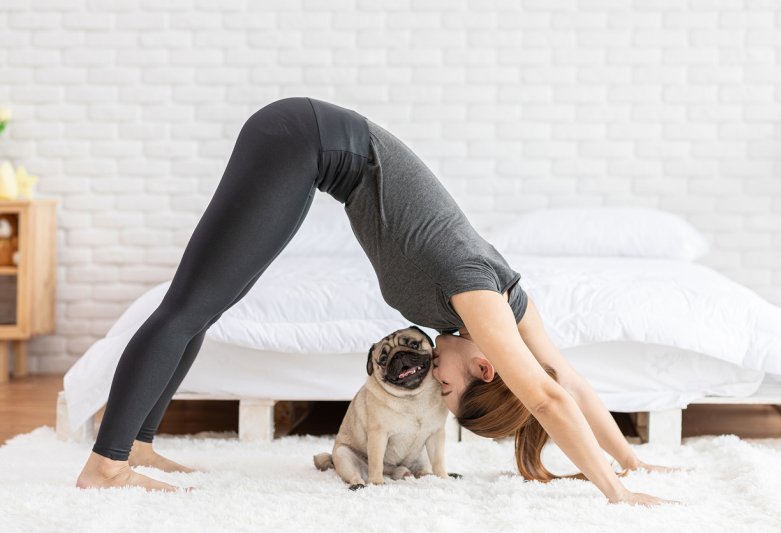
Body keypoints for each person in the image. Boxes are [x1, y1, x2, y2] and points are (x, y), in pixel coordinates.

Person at [76, 96, 680, 505]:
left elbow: (566, 380)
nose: (431, 384)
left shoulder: (512, 306)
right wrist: (615, 492)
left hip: (312, 149)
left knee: (202, 308)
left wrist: (631, 459)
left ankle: (140, 445)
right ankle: (106, 467)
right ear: (483, 367)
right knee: (188, 306)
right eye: (446, 388)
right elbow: (545, 397)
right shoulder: (478, 294)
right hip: (301, 138)